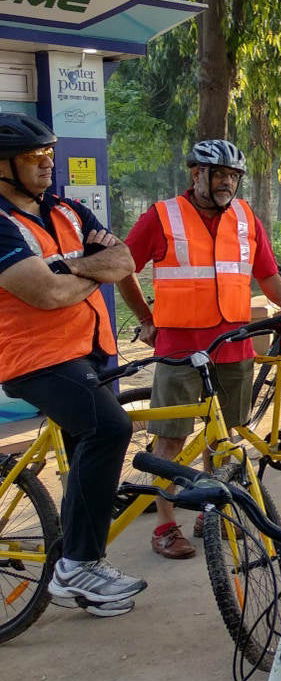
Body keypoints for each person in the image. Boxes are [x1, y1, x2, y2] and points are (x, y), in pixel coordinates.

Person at [117, 139, 281, 560]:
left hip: (234, 344)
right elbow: (122, 268)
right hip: (181, 346)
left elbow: (267, 273)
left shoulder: (244, 217)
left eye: (233, 176)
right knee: (171, 439)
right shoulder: (162, 216)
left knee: (224, 436)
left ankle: (211, 509)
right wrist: (146, 319)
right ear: (196, 174)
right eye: (218, 174)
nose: (227, 183)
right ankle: (166, 525)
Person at [0, 113, 143, 615]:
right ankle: (78, 563)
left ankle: (81, 582)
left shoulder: (66, 210)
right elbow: (43, 292)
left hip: (87, 348)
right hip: (34, 358)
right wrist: (84, 269)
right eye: (33, 157)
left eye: (49, 154)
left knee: (86, 451)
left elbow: (123, 260)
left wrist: (67, 267)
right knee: (108, 430)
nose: (47, 163)